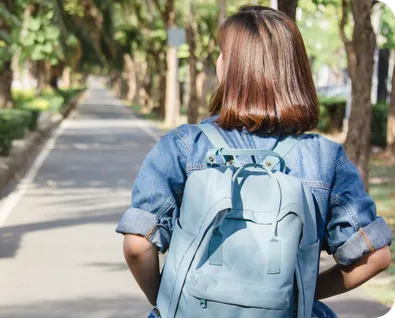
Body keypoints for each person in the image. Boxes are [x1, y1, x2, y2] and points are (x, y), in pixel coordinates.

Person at [116, 5, 392, 318]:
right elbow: (376, 257)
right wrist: (300, 294)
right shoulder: (324, 157)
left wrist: (171, 301)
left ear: (231, 68)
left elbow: (138, 247)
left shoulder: (184, 145)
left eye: (221, 53)